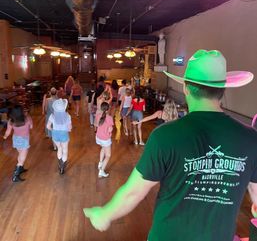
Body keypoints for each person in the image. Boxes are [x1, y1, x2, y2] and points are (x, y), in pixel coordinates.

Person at [84, 50, 257, 241]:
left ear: (186, 88)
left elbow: (134, 192)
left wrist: (105, 214)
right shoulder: (251, 138)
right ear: (223, 89)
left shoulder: (164, 135)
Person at [3, 105, 33, 182]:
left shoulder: (11, 120)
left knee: (20, 154)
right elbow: (31, 127)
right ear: (22, 111)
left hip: (16, 139)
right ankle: (15, 176)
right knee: (22, 158)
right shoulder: (27, 119)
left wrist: (5, 137)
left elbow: (8, 132)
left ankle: (21, 168)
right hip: (24, 140)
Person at [47, 99, 72, 174]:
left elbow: (48, 126)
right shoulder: (67, 116)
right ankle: (62, 168)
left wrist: (53, 130)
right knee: (65, 150)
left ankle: (59, 163)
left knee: (59, 148)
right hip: (64, 134)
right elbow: (70, 128)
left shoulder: (52, 115)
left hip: (55, 134)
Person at [95, 102, 114, 178]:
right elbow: (110, 130)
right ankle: (101, 171)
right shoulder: (109, 118)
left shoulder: (98, 115)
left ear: (101, 108)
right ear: (108, 109)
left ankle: (100, 163)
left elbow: (96, 125)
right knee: (108, 155)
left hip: (98, 137)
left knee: (103, 147)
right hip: (105, 139)